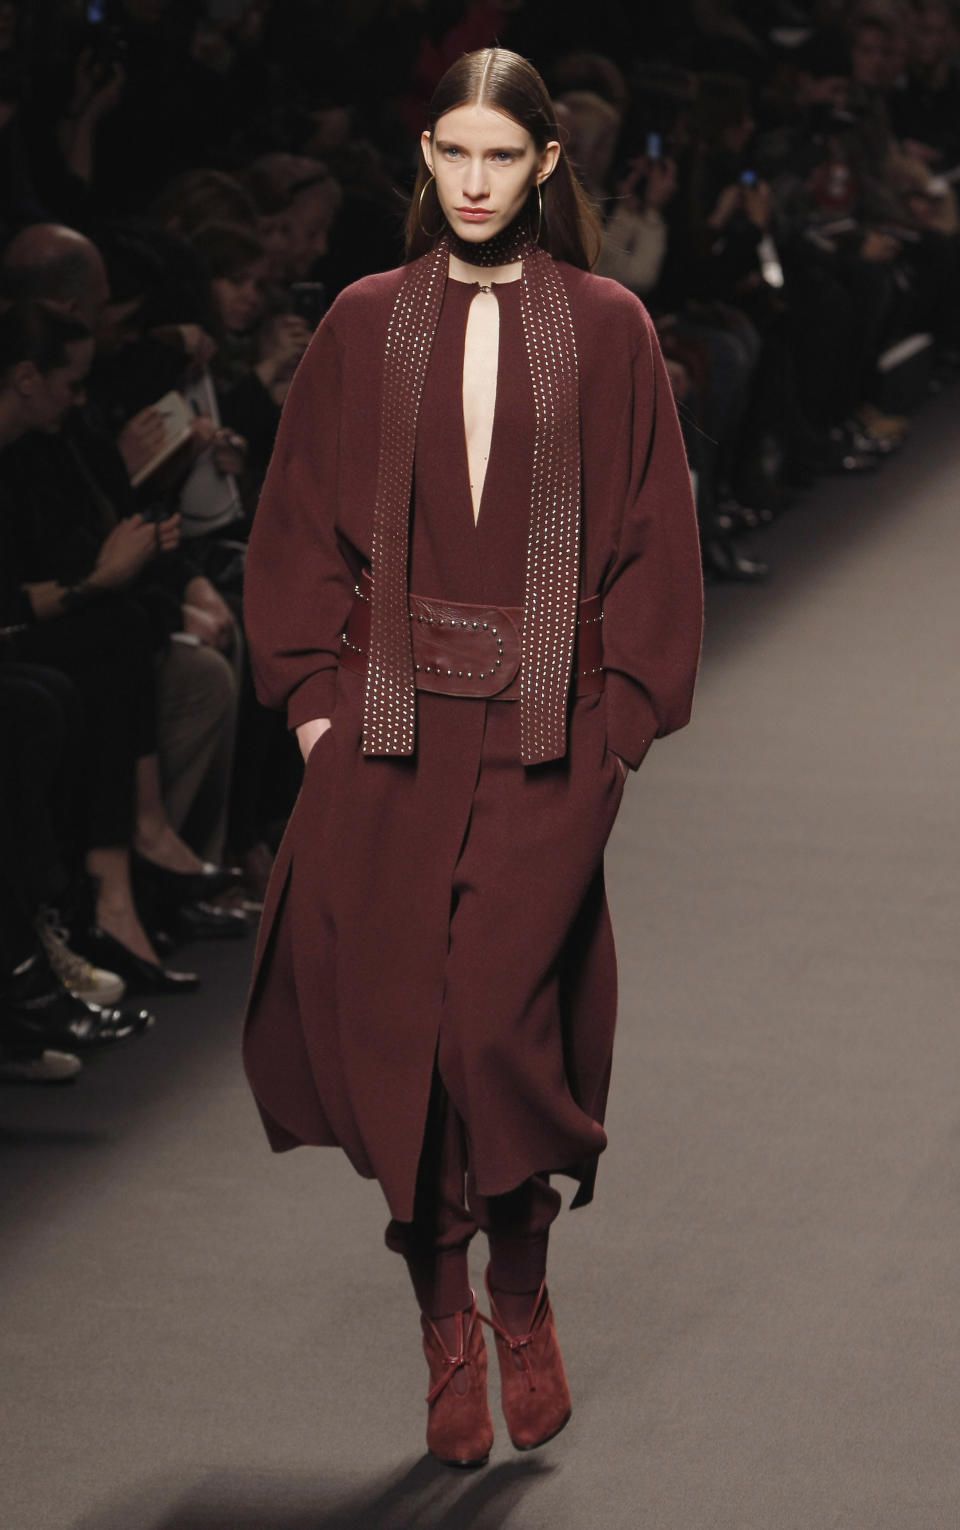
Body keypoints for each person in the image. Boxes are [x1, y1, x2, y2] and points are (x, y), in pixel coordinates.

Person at [242, 47, 703, 1469]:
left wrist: (618, 720)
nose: (478, 180)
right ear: (427, 160)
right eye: (454, 154)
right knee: (402, 1037)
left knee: (492, 1018)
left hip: (550, 734)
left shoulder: (610, 325)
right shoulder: (366, 320)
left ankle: (519, 1281)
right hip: (386, 727)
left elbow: (652, 535)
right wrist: (317, 708)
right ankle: (445, 1320)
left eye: (504, 156)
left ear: (546, 165)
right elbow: (298, 520)